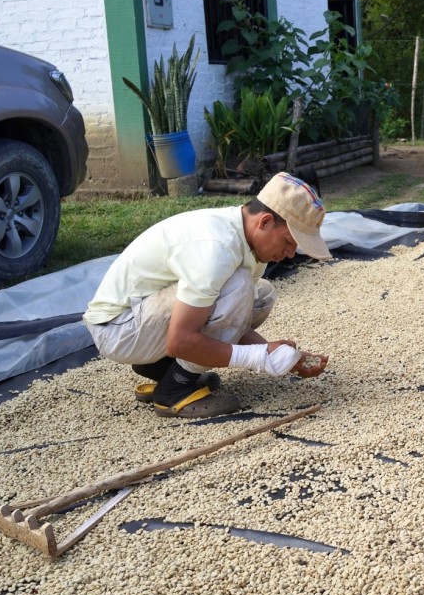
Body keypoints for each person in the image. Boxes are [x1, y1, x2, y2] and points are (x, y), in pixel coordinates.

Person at [83, 172, 331, 419]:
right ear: (265, 222)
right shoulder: (217, 248)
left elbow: (234, 320)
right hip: (118, 330)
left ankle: (160, 366)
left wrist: (273, 352)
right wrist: (261, 358)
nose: (290, 254)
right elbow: (180, 340)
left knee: (261, 293)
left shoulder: (247, 241)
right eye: (289, 242)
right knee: (240, 285)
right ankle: (175, 390)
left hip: (139, 320)